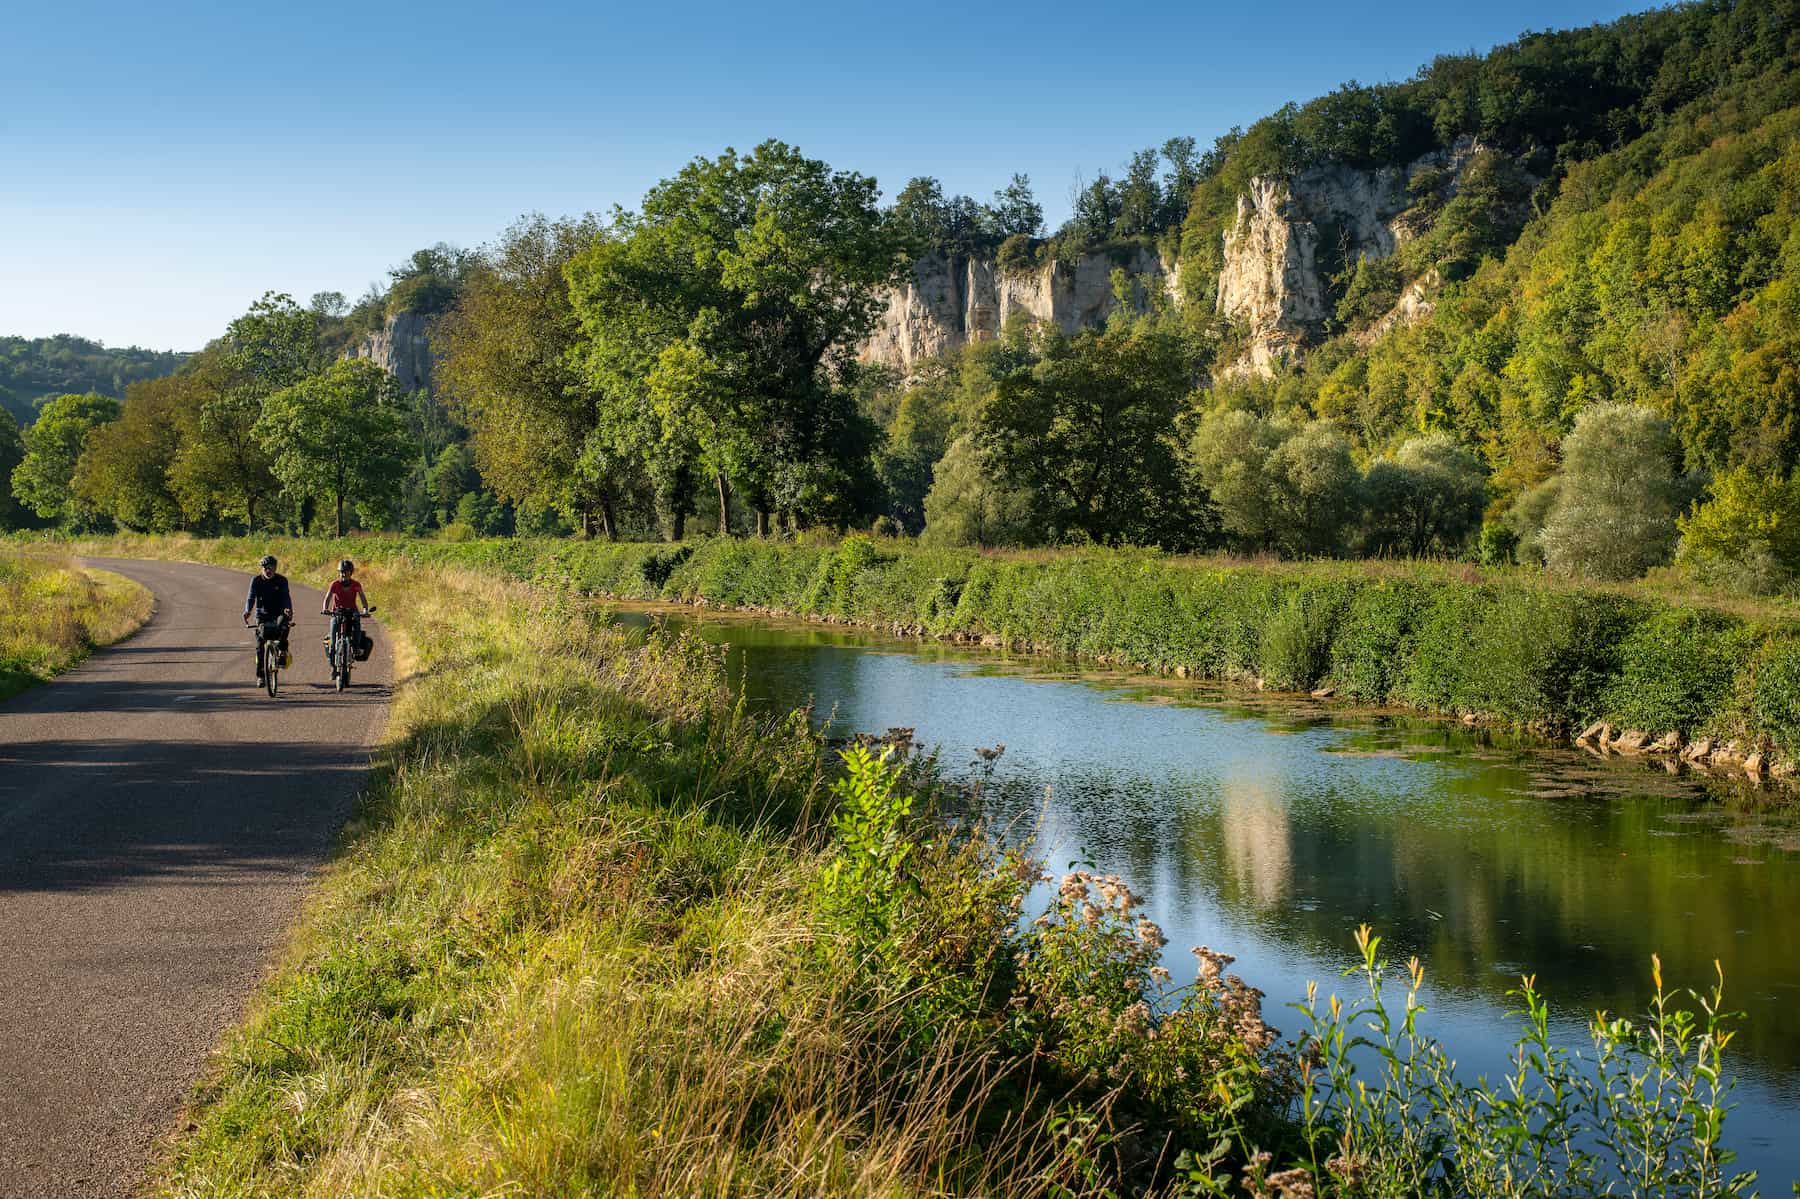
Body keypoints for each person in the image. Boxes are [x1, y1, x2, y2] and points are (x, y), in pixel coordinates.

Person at [243, 554, 294, 683]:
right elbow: (251, 597)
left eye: (271, 567)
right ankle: (260, 676)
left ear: (275, 568)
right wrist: (248, 610)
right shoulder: (256, 581)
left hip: (278, 613)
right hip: (262, 616)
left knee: (285, 624)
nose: (268, 570)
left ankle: (282, 650)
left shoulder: (282, 580)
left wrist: (288, 608)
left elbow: (286, 597)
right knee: (260, 645)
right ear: (262, 568)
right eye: (265, 567)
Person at [320, 559, 372, 662]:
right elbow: (328, 597)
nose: (343, 574)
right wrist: (325, 609)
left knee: (357, 625)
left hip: (352, 611)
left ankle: (356, 648)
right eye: (341, 572)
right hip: (337, 612)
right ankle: (333, 668)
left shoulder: (356, 584)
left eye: (346, 572)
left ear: (351, 572)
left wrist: (365, 609)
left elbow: (362, 598)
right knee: (333, 633)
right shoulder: (334, 584)